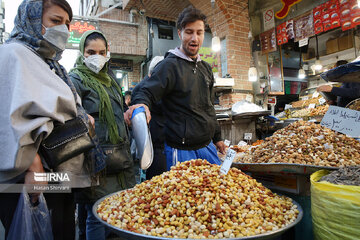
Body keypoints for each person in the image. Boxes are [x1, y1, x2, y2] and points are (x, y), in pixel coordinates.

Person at [0, 1, 106, 239]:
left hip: (58, 173)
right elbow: (8, 115)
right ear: (33, 19)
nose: (64, 30)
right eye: (55, 21)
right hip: (33, 172)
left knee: (62, 229)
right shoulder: (13, 54)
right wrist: (32, 161)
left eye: (68, 24)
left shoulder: (50, 63)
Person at [125, 6, 226, 170]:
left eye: (199, 33)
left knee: (217, 190)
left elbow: (209, 107)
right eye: (189, 32)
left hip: (207, 146)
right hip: (180, 149)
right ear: (180, 33)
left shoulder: (206, 69)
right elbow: (145, 91)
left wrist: (217, 137)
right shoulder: (169, 66)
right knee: (185, 194)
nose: (194, 38)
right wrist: (141, 104)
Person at [69, 30, 136, 240]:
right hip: (95, 160)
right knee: (96, 215)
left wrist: (123, 116)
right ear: (82, 52)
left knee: (115, 212)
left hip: (119, 159)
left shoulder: (110, 81)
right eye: (91, 52)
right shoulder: (75, 79)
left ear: (107, 53)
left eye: (101, 51)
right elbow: (73, 115)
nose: (96, 56)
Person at [132, 56, 167, 180]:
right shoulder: (144, 89)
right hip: (155, 144)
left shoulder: (156, 85)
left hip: (161, 143)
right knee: (158, 183)